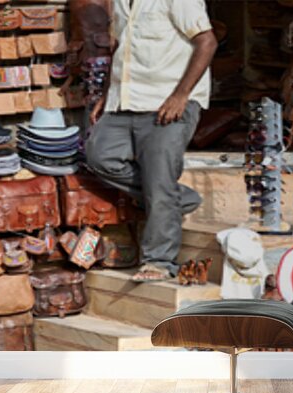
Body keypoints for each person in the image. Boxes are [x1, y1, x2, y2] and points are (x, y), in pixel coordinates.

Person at [85, 0, 218, 282]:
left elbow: (207, 42)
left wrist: (181, 95)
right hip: (126, 102)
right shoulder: (120, 3)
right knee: (99, 155)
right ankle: (175, 198)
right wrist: (107, 94)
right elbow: (121, 50)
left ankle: (159, 261)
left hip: (168, 103)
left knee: (159, 181)